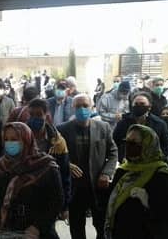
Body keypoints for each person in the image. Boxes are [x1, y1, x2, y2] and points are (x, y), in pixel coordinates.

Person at [105, 124, 168, 238]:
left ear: (148, 145)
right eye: (127, 142)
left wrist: (148, 202)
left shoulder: (163, 176)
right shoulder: (123, 171)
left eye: (133, 143)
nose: (128, 146)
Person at [0, 122, 63, 238]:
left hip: (36, 232)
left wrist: (38, 227)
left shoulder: (46, 166)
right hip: (6, 230)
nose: (9, 143)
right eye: (6, 139)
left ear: (27, 139)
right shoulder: (0, 167)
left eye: (15, 139)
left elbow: (56, 201)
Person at [57, 94, 117, 239]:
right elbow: (54, 156)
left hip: (97, 186)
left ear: (92, 107)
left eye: (85, 106)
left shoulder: (103, 127)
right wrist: (67, 165)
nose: (82, 109)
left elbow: (113, 152)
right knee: (77, 228)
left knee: (101, 226)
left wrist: (106, 173)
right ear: (73, 108)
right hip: (75, 188)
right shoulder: (62, 129)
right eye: (78, 106)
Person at [24, 99, 71, 221]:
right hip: (24, 194)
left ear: (46, 116)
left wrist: (65, 206)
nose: (34, 118)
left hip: (49, 195)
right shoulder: (21, 137)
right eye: (31, 115)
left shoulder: (58, 142)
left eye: (39, 114)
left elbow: (65, 174)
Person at [113, 92, 168, 161]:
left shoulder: (159, 123)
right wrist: (121, 158)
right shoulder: (123, 123)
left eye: (142, 104)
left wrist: (156, 158)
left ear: (149, 106)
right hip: (129, 164)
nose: (139, 106)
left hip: (152, 165)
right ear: (132, 106)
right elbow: (114, 143)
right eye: (136, 104)